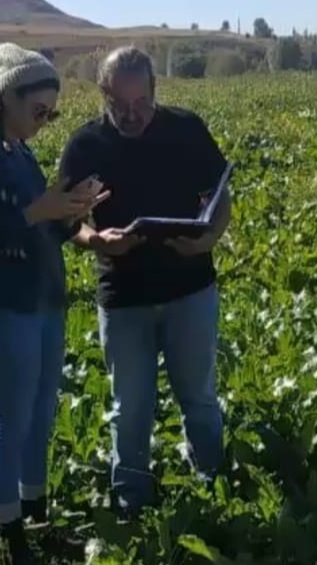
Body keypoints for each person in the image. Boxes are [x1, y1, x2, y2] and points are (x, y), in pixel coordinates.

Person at [0, 43, 102, 565]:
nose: (43, 123)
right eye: (38, 111)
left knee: (40, 415)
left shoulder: (19, 152)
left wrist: (76, 217)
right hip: (2, 307)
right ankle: (11, 541)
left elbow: (43, 227)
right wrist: (40, 210)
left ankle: (36, 518)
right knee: (10, 420)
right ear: (6, 97)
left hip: (43, 302)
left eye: (50, 115)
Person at [59, 46, 231, 516]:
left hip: (190, 287)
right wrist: (96, 240)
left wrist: (209, 237)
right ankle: (131, 501)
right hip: (124, 297)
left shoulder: (186, 130)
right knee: (130, 407)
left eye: (141, 104)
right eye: (120, 105)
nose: (132, 115)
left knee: (199, 398)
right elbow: (66, 221)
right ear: (102, 95)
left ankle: (214, 490)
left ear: (156, 91)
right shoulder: (86, 146)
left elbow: (219, 195)